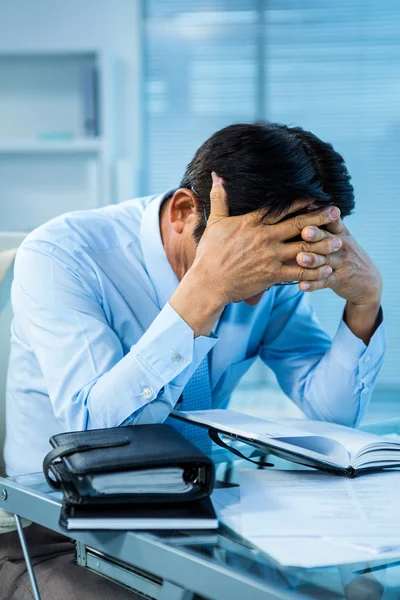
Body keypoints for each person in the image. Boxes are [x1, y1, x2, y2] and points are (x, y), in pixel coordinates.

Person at [1, 122, 384, 599]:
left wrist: (363, 305)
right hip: (55, 532)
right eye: (256, 262)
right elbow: (94, 433)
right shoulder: (63, 256)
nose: (256, 297)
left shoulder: (271, 277)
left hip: (199, 517)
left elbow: (331, 417)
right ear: (185, 211)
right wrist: (206, 290)